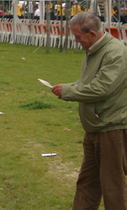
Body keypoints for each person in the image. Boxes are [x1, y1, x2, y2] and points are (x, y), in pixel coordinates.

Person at [51, 12, 127, 210]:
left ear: (92, 34)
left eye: (78, 37)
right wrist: (69, 87)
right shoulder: (94, 51)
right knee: (87, 183)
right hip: (95, 127)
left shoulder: (115, 53)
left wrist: (68, 91)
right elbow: (88, 83)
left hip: (111, 128)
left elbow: (101, 88)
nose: (76, 41)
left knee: (113, 186)